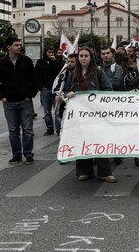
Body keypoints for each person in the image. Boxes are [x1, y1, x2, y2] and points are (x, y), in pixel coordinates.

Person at [64, 47, 116, 183]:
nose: (83, 58)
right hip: (79, 117)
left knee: (99, 141)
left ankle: (104, 173)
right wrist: (67, 95)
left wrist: (98, 99)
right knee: (82, 142)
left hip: (96, 115)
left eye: (86, 55)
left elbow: (108, 89)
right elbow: (65, 91)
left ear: (91, 57)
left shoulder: (98, 72)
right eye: (81, 56)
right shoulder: (73, 74)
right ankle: (85, 171)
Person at [0, 37, 38, 165]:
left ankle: (28, 154)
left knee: (28, 129)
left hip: (25, 101)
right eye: (16, 45)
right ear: (9, 47)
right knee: (13, 130)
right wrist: (2, 97)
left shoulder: (26, 61)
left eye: (20, 45)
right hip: (9, 102)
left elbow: (33, 80)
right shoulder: (1, 64)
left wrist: (30, 95)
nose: (19, 47)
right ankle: (16, 154)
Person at [35, 47, 64, 136]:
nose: (51, 54)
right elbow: (36, 75)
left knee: (57, 110)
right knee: (47, 111)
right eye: (49, 52)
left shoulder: (56, 62)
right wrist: (40, 87)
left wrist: (55, 61)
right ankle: (49, 129)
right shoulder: (40, 62)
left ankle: (58, 129)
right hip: (45, 89)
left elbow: (62, 72)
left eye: (52, 52)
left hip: (55, 90)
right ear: (45, 53)